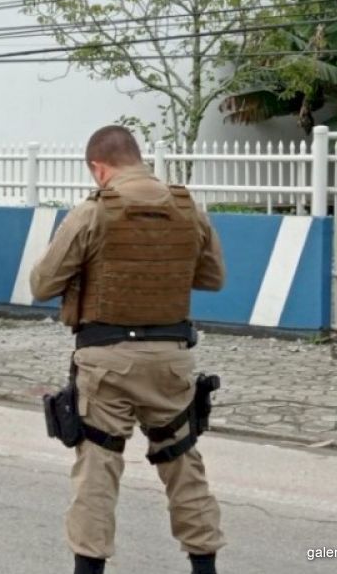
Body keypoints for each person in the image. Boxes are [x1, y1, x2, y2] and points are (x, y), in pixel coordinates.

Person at [30, 126, 227, 574]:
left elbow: (42, 284)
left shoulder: (92, 213)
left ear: (99, 168)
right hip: (171, 359)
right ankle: (204, 567)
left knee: (98, 467)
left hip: (106, 361)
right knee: (182, 463)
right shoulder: (187, 208)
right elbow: (213, 278)